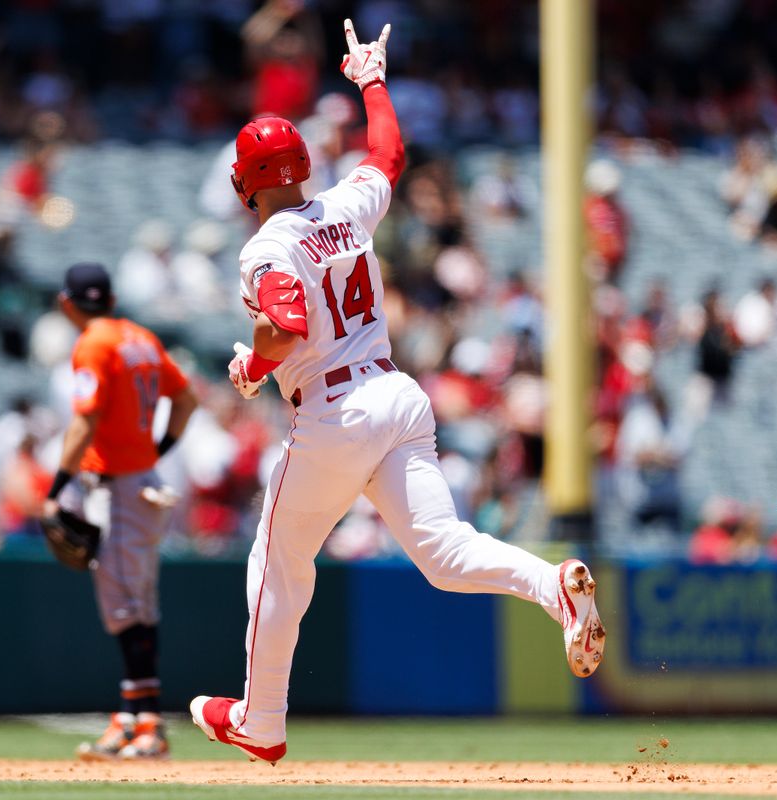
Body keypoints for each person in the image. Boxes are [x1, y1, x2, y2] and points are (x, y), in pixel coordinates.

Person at [189, 19, 606, 766]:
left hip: (334, 410)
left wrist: (253, 368)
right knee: (445, 554)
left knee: (277, 561)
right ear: (302, 165)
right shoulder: (345, 205)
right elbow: (389, 152)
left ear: (246, 182)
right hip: (396, 393)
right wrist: (371, 79)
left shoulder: (267, 246)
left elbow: (282, 324)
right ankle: (554, 587)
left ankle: (262, 718)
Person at [42, 263, 198, 761]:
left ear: (69, 304)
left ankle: (148, 725)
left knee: (127, 607)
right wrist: (157, 452)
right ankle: (132, 718)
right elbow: (188, 399)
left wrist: (56, 488)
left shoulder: (93, 343)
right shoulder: (141, 337)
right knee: (136, 603)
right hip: (142, 483)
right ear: (109, 298)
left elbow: (84, 422)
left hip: (118, 489)